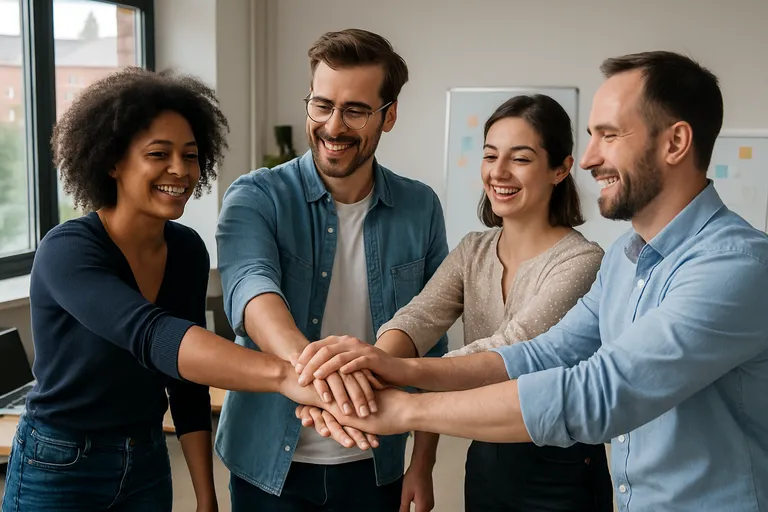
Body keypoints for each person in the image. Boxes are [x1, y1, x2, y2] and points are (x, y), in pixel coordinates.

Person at [294, 51, 768, 512]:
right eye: (590, 136)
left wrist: (402, 409)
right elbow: (541, 354)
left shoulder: (735, 267)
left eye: (609, 135)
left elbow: (599, 393)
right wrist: (390, 368)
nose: (587, 159)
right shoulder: (626, 261)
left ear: (675, 143)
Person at [1, 68, 324, 512]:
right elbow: (152, 335)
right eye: (159, 153)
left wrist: (205, 495)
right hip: (60, 463)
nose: (180, 170)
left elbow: (185, 384)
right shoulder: (68, 251)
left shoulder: (186, 250)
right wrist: (287, 376)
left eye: (190, 156)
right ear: (112, 161)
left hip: (147, 460)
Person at [299, 94, 613, 511]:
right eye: (489, 155)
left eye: (520, 159)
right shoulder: (473, 250)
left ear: (560, 168)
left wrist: (388, 371)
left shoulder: (583, 261)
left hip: (560, 466)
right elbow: (418, 318)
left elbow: (511, 349)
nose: (498, 172)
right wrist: (365, 370)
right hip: (485, 454)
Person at [214, 28, 449, 512]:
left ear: (390, 115)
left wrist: (422, 463)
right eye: (322, 105)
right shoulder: (255, 196)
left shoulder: (420, 206)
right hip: (266, 466)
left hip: (376, 464)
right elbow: (252, 292)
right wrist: (322, 376)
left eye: (356, 110)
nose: (333, 126)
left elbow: (433, 341)